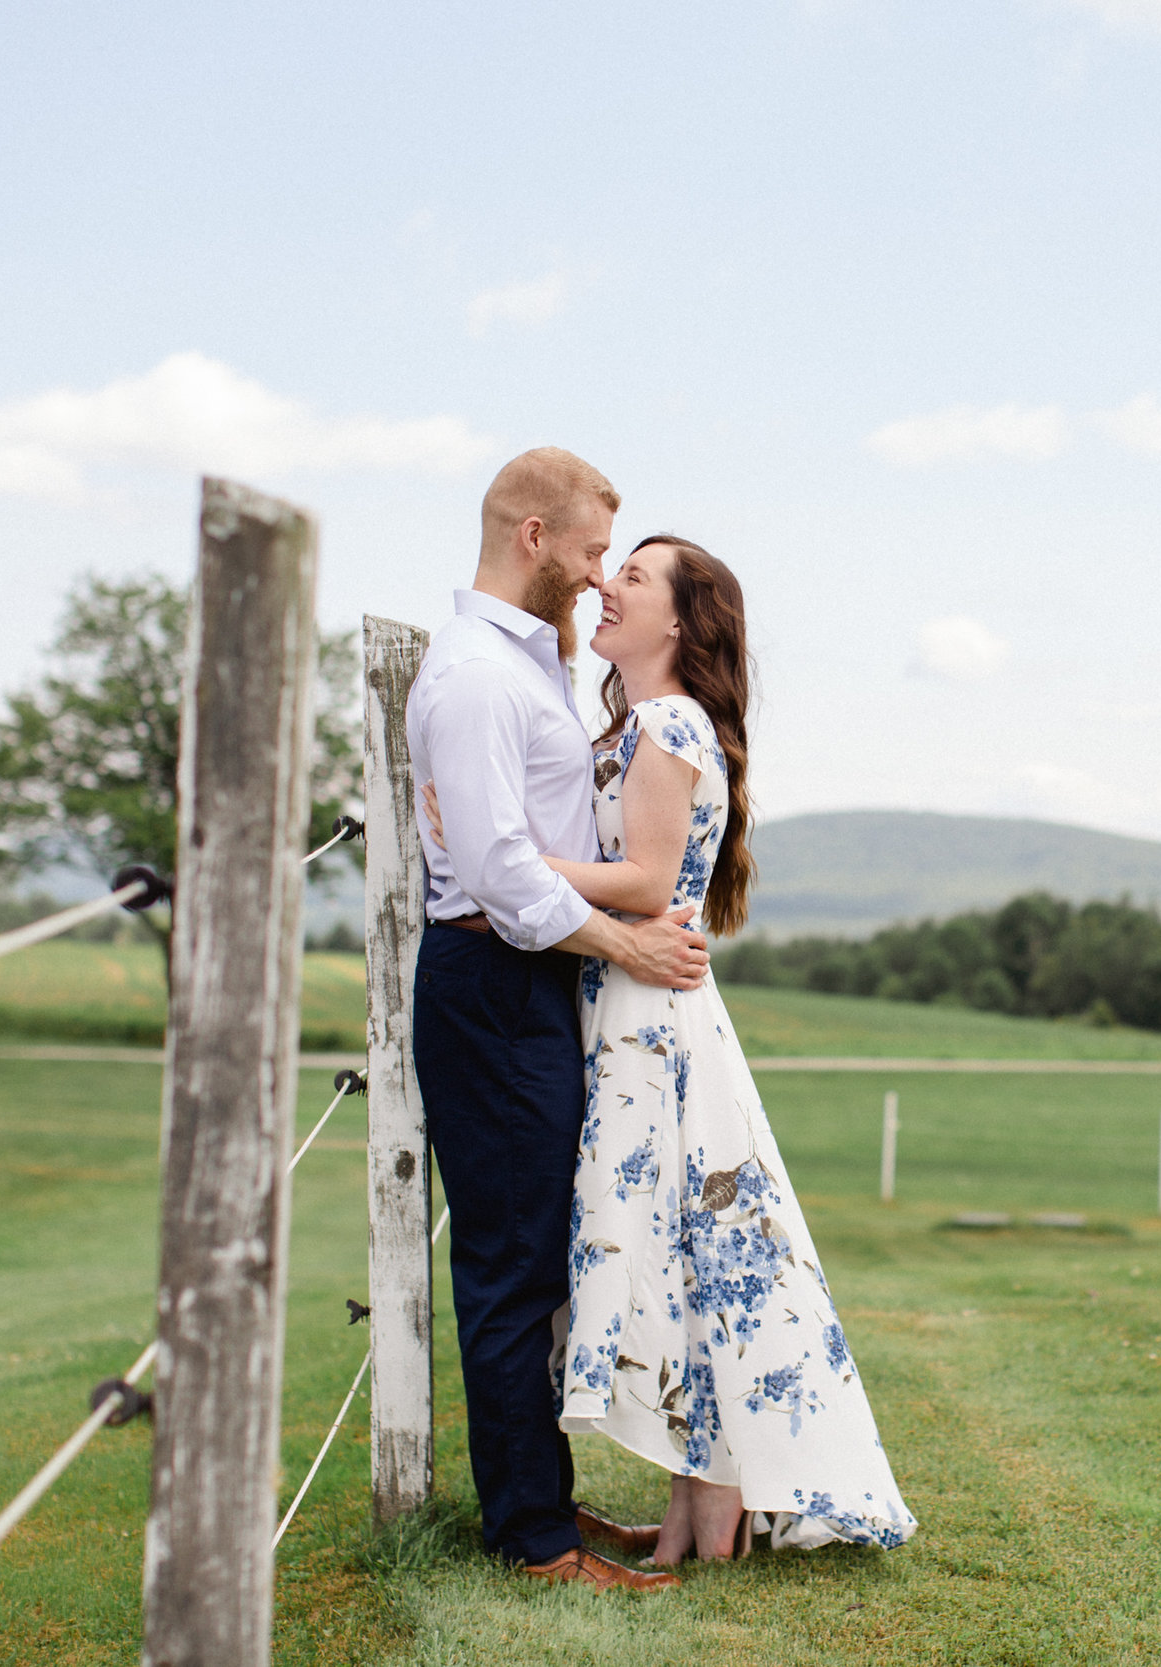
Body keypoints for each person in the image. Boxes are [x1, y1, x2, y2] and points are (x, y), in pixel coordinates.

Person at [427, 533, 917, 1563]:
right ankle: (706, 1513)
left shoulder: (664, 719)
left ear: (681, 623)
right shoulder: (631, 719)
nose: (606, 584)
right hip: (624, 999)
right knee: (693, 1255)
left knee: (693, 1251)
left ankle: (716, 1505)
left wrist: (492, 848)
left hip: (648, 1020)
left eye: (634, 576)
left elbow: (649, 881)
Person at [406, 448, 710, 1595]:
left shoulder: (524, 670)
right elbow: (495, 875)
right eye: (589, 556)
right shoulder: (481, 675)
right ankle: (535, 1542)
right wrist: (630, 942)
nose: (597, 582)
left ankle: (538, 1498)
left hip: (527, 976)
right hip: (491, 980)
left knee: (537, 1248)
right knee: (510, 1262)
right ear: (531, 535)